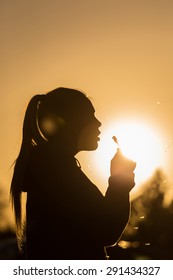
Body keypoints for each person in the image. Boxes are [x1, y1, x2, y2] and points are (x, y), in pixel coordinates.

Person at [10, 87, 136, 260]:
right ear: (71, 122)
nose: (98, 123)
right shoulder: (57, 173)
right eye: (90, 116)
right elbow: (106, 230)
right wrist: (120, 180)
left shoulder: (50, 169)